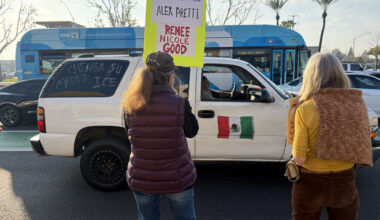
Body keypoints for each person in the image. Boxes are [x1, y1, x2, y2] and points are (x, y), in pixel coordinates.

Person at [288, 53, 373, 220]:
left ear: (310, 76)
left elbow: (298, 158)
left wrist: (291, 162)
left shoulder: (305, 108)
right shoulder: (356, 104)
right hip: (344, 181)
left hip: (310, 183)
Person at [122, 51, 199, 220]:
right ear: (170, 76)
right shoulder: (179, 103)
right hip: (177, 177)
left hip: (142, 177)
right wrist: (183, 105)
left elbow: (130, 134)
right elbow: (192, 131)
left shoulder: (130, 104)